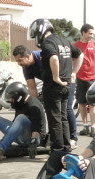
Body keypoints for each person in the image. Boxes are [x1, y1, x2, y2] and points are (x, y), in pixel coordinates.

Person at [28, 19, 83, 152]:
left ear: (41, 30)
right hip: (66, 85)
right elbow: (80, 54)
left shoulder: (48, 42)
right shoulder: (64, 41)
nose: (37, 38)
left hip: (53, 86)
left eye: (36, 35)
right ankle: (66, 147)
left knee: (54, 119)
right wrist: (74, 72)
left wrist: (55, 76)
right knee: (63, 117)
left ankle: (57, 149)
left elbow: (53, 58)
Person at [13, 44, 79, 148]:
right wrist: (35, 107)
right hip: (51, 84)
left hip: (66, 80)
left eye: (20, 60)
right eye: (17, 61)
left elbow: (61, 60)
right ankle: (57, 138)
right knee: (52, 112)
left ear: (27, 56)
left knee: (66, 109)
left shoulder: (42, 56)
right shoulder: (26, 67)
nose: (19, 63)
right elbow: (32, 88)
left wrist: (74, 72)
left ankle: (73, 138)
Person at [74, 24, 95, 137]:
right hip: (80, 78)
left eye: (93, 33)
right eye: (90, 33)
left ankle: (93, 128)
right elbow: (72, 61)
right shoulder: (76, 46)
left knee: (93, 104)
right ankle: (85, 127)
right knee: (81, 103)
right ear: (83, 32)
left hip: (93, 79)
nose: (92, 35)